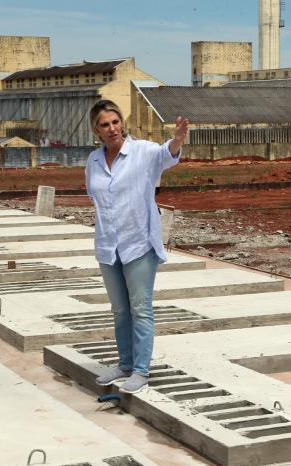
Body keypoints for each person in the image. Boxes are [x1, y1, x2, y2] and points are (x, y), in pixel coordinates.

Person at [86, 99, 189, 394]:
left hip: (138, 243)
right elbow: (95, 197)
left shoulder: (142, 151)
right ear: (97, 130)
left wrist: (178, 139)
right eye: (105, 125)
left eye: (115, 122)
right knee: (119, 310)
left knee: (140, 309)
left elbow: (166, 155)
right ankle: (125, 363)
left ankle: (141, 370)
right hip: (108, 246)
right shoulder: (93, 161)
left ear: (122, 123)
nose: (112, 129)